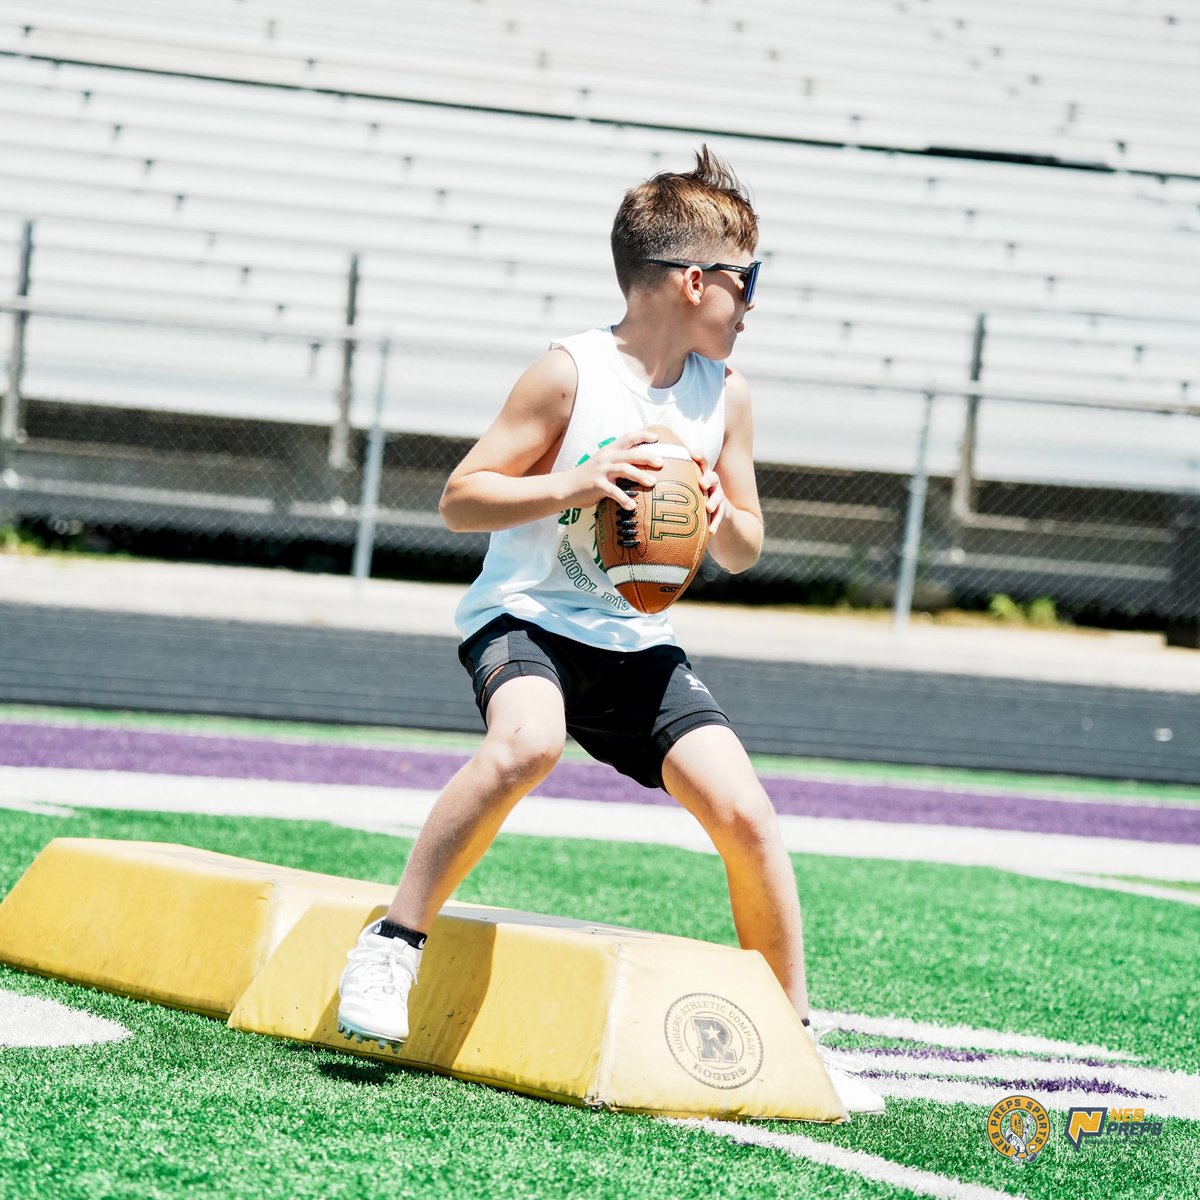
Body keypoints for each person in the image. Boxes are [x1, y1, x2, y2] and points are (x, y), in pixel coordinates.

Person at [336, 147, 884, 1115]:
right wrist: (575, 485)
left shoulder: (728, 395)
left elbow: (749, 546)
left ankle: (796, 1039)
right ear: (694, 282)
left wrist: (718, 514)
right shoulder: (569, 374)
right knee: (527, 744)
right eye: (749, 282)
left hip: (633, 644)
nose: (754, 303)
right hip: (529, 620)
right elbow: (462, 498)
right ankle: (392, 945)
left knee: (749, 817)